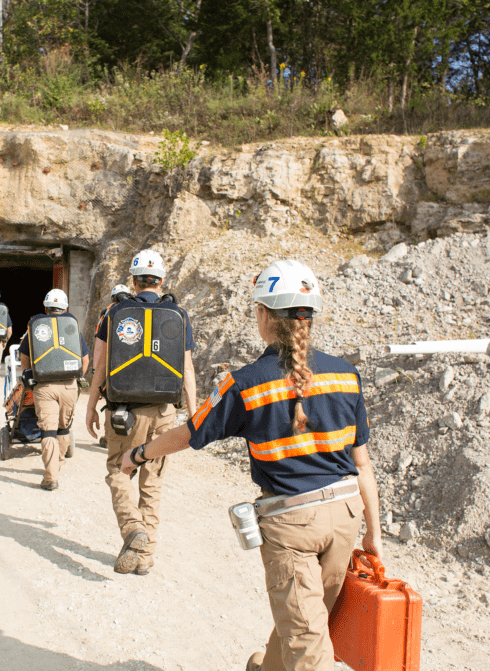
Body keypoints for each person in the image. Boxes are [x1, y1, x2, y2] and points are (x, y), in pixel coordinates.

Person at [118, 259, 383, 671]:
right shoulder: (348, 375)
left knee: (308, 642)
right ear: (309, 317)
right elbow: (362, 465)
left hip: (292, 524)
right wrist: (374, 537)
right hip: (346, 518)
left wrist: (138, 454)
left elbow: (191, 433)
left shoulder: (244, 383)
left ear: (262, 315)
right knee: (306, 622)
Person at [87, 249, 197, 576]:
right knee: (152, 481)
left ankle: (132, 527)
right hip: (164, 411)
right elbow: (187, 369)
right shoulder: (178, 315)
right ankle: (145, 557)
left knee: (118, 471)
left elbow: (100, 366)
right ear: (162, 281)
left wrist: (91, 406)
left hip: (124, 412)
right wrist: (194, 413)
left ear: (133, 281)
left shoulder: (115, 312)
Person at [19, 289, 90, 490]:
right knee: (63, 427)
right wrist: (76, 378)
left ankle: (51, 476)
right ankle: (57, 464)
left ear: (46, 308)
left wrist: (28, 373)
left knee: (47, 430)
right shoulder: (72, 326)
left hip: (44, 386)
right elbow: (84, 359)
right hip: (69, 385)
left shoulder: (36, 325)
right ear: (65, 307)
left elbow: (24, 355)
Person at [94, 284, 133, 449]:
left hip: (112, 365)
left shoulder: (108, 312)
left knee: (111, 399)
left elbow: (100, 344)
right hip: (134, 364)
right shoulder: (136, 309)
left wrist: (97, 370)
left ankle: (109, 436)